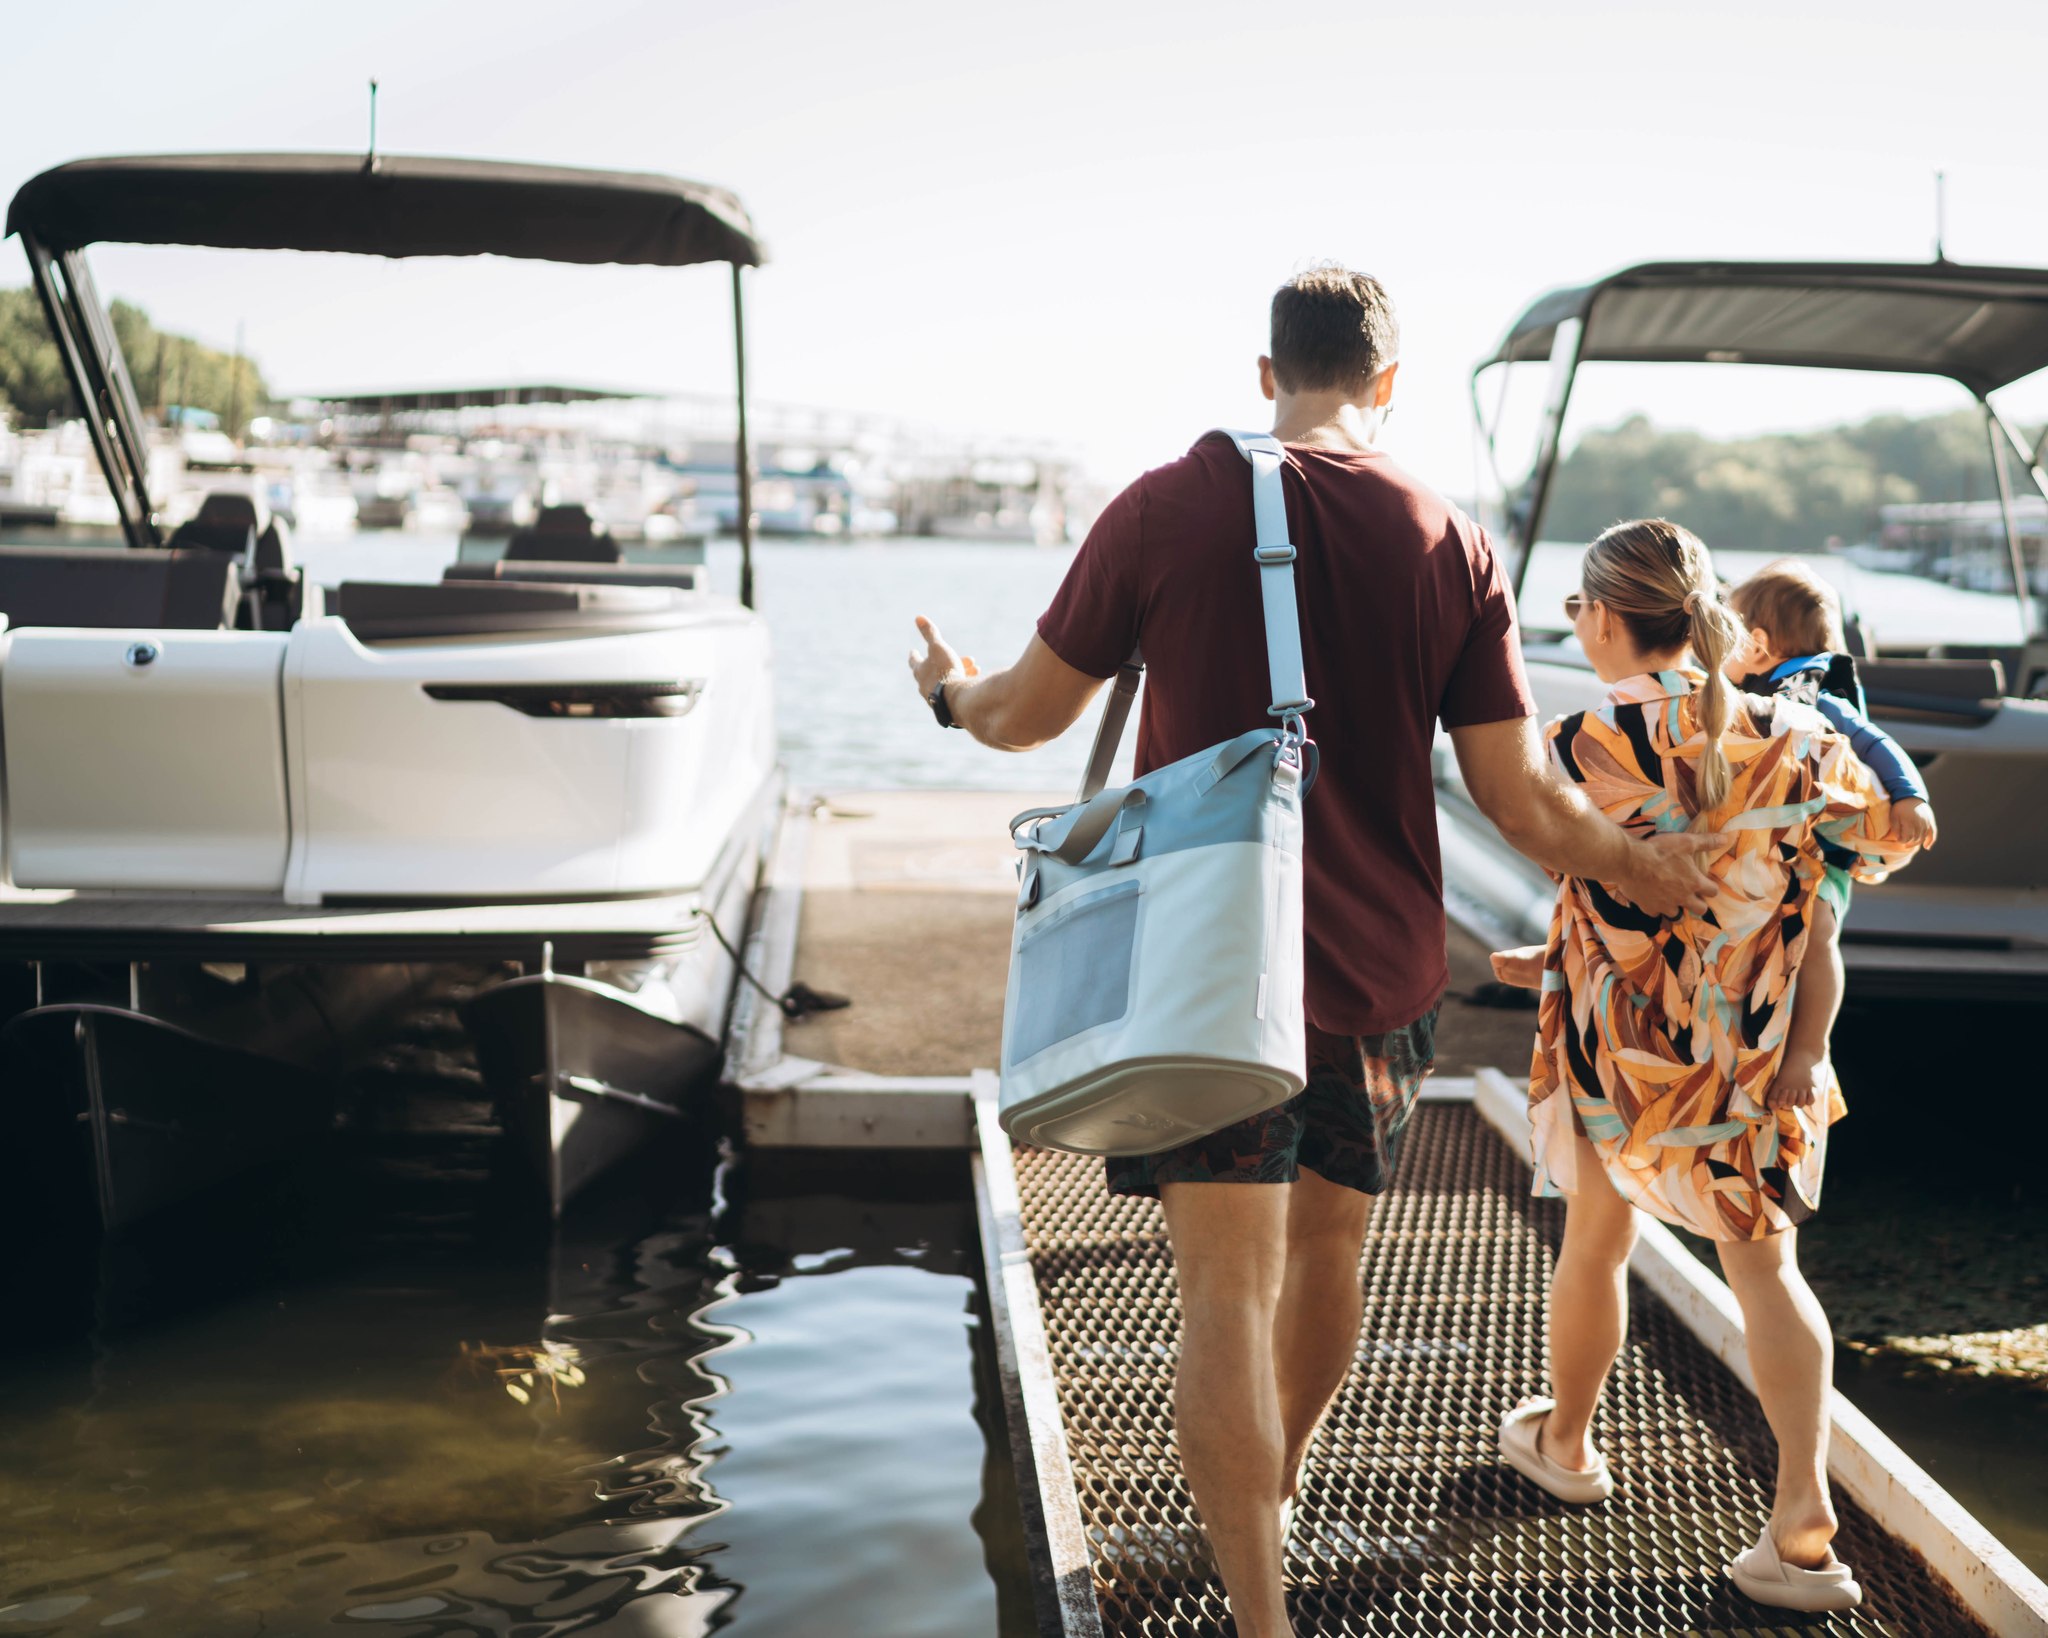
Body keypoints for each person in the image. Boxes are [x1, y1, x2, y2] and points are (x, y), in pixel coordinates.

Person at [906, 266, 1726, 1638]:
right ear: (1388, 384)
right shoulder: (1447, 539)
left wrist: (945, 693)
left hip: (1208, 968)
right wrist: (1658, 867)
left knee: (1226, 1287)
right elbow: (1522, 803)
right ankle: (1269, 1497)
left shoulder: (1165, 506)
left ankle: (1258, 1609)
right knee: (1331, 1256)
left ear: (1267, 372)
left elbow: (1026, 718)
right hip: (1380, 968)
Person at [1487, 521, 1923, 1616]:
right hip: (1758, 1051)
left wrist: (1560, 955)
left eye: (1577, 612)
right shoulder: (1800, 731)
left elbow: (1606, 876)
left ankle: (1570, 1444)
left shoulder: (1577, 740)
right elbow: (1875, 847)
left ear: (1597, 615)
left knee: (1594, 1238)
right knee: (1766, 1272)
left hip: (1619, 1048)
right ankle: (1801, 1529)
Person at [1721, 558, 1938, 1112]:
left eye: (1724, 631)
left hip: (1824, 868)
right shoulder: (1743, 697)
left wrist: (1911, 796)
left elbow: (1877, 743)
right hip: (1778, 859)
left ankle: (1809, 1051)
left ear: (1759, 644)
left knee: (1817, 935)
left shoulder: (1816, 698)